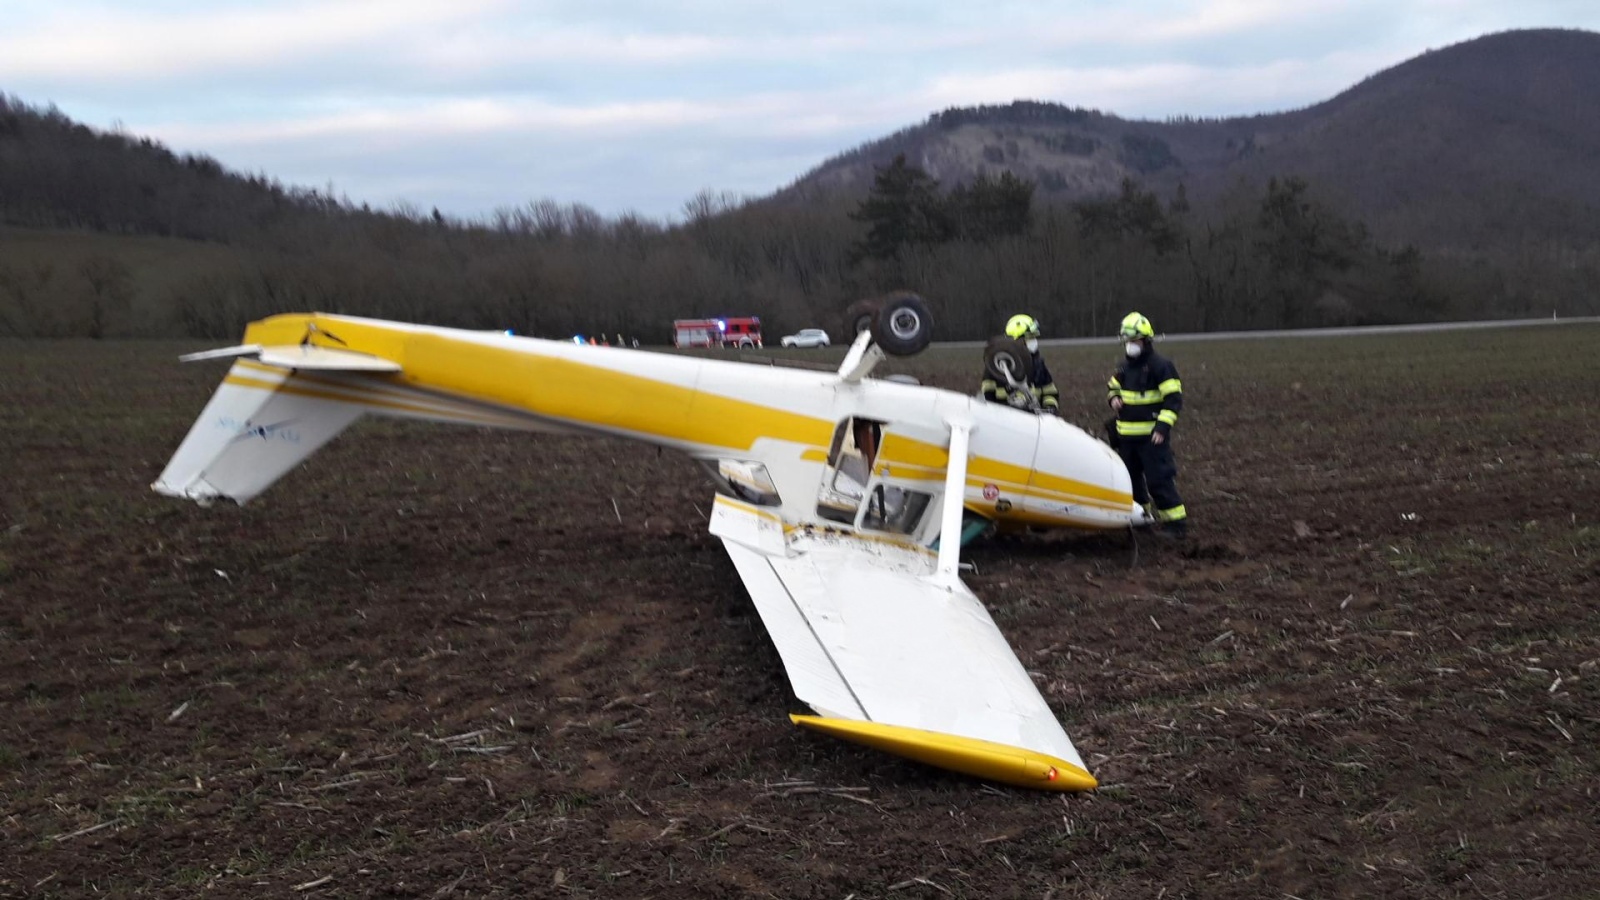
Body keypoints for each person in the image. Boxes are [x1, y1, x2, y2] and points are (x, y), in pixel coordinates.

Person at [1107, 312, 1187, 537]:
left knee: (1158, 480)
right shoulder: (1123, 367)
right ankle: (1142, 520)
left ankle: (1176, 525)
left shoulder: (1161, 366)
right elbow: (1112, 386)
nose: (1129, 346)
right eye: (1127, 342)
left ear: (1145, 340)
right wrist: (1113, 398)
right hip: (1126, 439)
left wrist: (1162, 428)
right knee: (1131, 483)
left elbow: (1173, 400)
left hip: (1151, 438)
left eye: (1133, 341)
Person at [980, 314, 1060, 414]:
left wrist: (1049, 408)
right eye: (1029, 337)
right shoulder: (997, 366)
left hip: (1036, 421)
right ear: (1017, 340)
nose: (1034, 341)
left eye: (1034, 337)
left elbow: (1050, 392)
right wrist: (1013, 406)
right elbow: (989, 399)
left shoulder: (1038, 365)